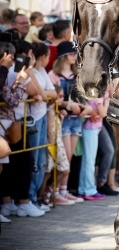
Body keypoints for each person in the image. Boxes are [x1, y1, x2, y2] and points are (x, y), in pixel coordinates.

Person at [0, 37, 45, 221]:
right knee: (14, 165)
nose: (13, 59)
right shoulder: (9, 72)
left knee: (9, 165)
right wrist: (21, 80)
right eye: (11, 57)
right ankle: (19, 203)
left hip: (11, 124)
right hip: (7, 123)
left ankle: (9, 203)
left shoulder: (7, 71)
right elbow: (13, 99)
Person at [42, 84, 83, 205]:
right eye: (59, 96)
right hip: (53, 144)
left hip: (56, 143)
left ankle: (48, 192)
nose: (61, 99)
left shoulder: (56, 110)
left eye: (62, 96)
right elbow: (50, 131)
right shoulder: (50, 110)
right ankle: (43, 196)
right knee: (50, 171)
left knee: (62, 169)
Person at [27, 43, 57, 209]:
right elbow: (35, 92)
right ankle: (30, 197)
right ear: (43, 57)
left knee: (41, 159)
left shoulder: (42, 72)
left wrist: (43, 95)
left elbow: (52, 93)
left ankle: (35, 198)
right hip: (34, 118)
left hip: (43, 115)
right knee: (34, 161)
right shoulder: (30, 72)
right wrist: (44, 94)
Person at [78, 90, 110, 201]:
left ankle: (83, 189)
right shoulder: (98, 94)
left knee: (86, 160)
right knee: (89, 161)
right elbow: (103, 113)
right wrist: (107, 100)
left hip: (92, 128)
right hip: (91, 128)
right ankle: (90, 190)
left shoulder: (96, 93)